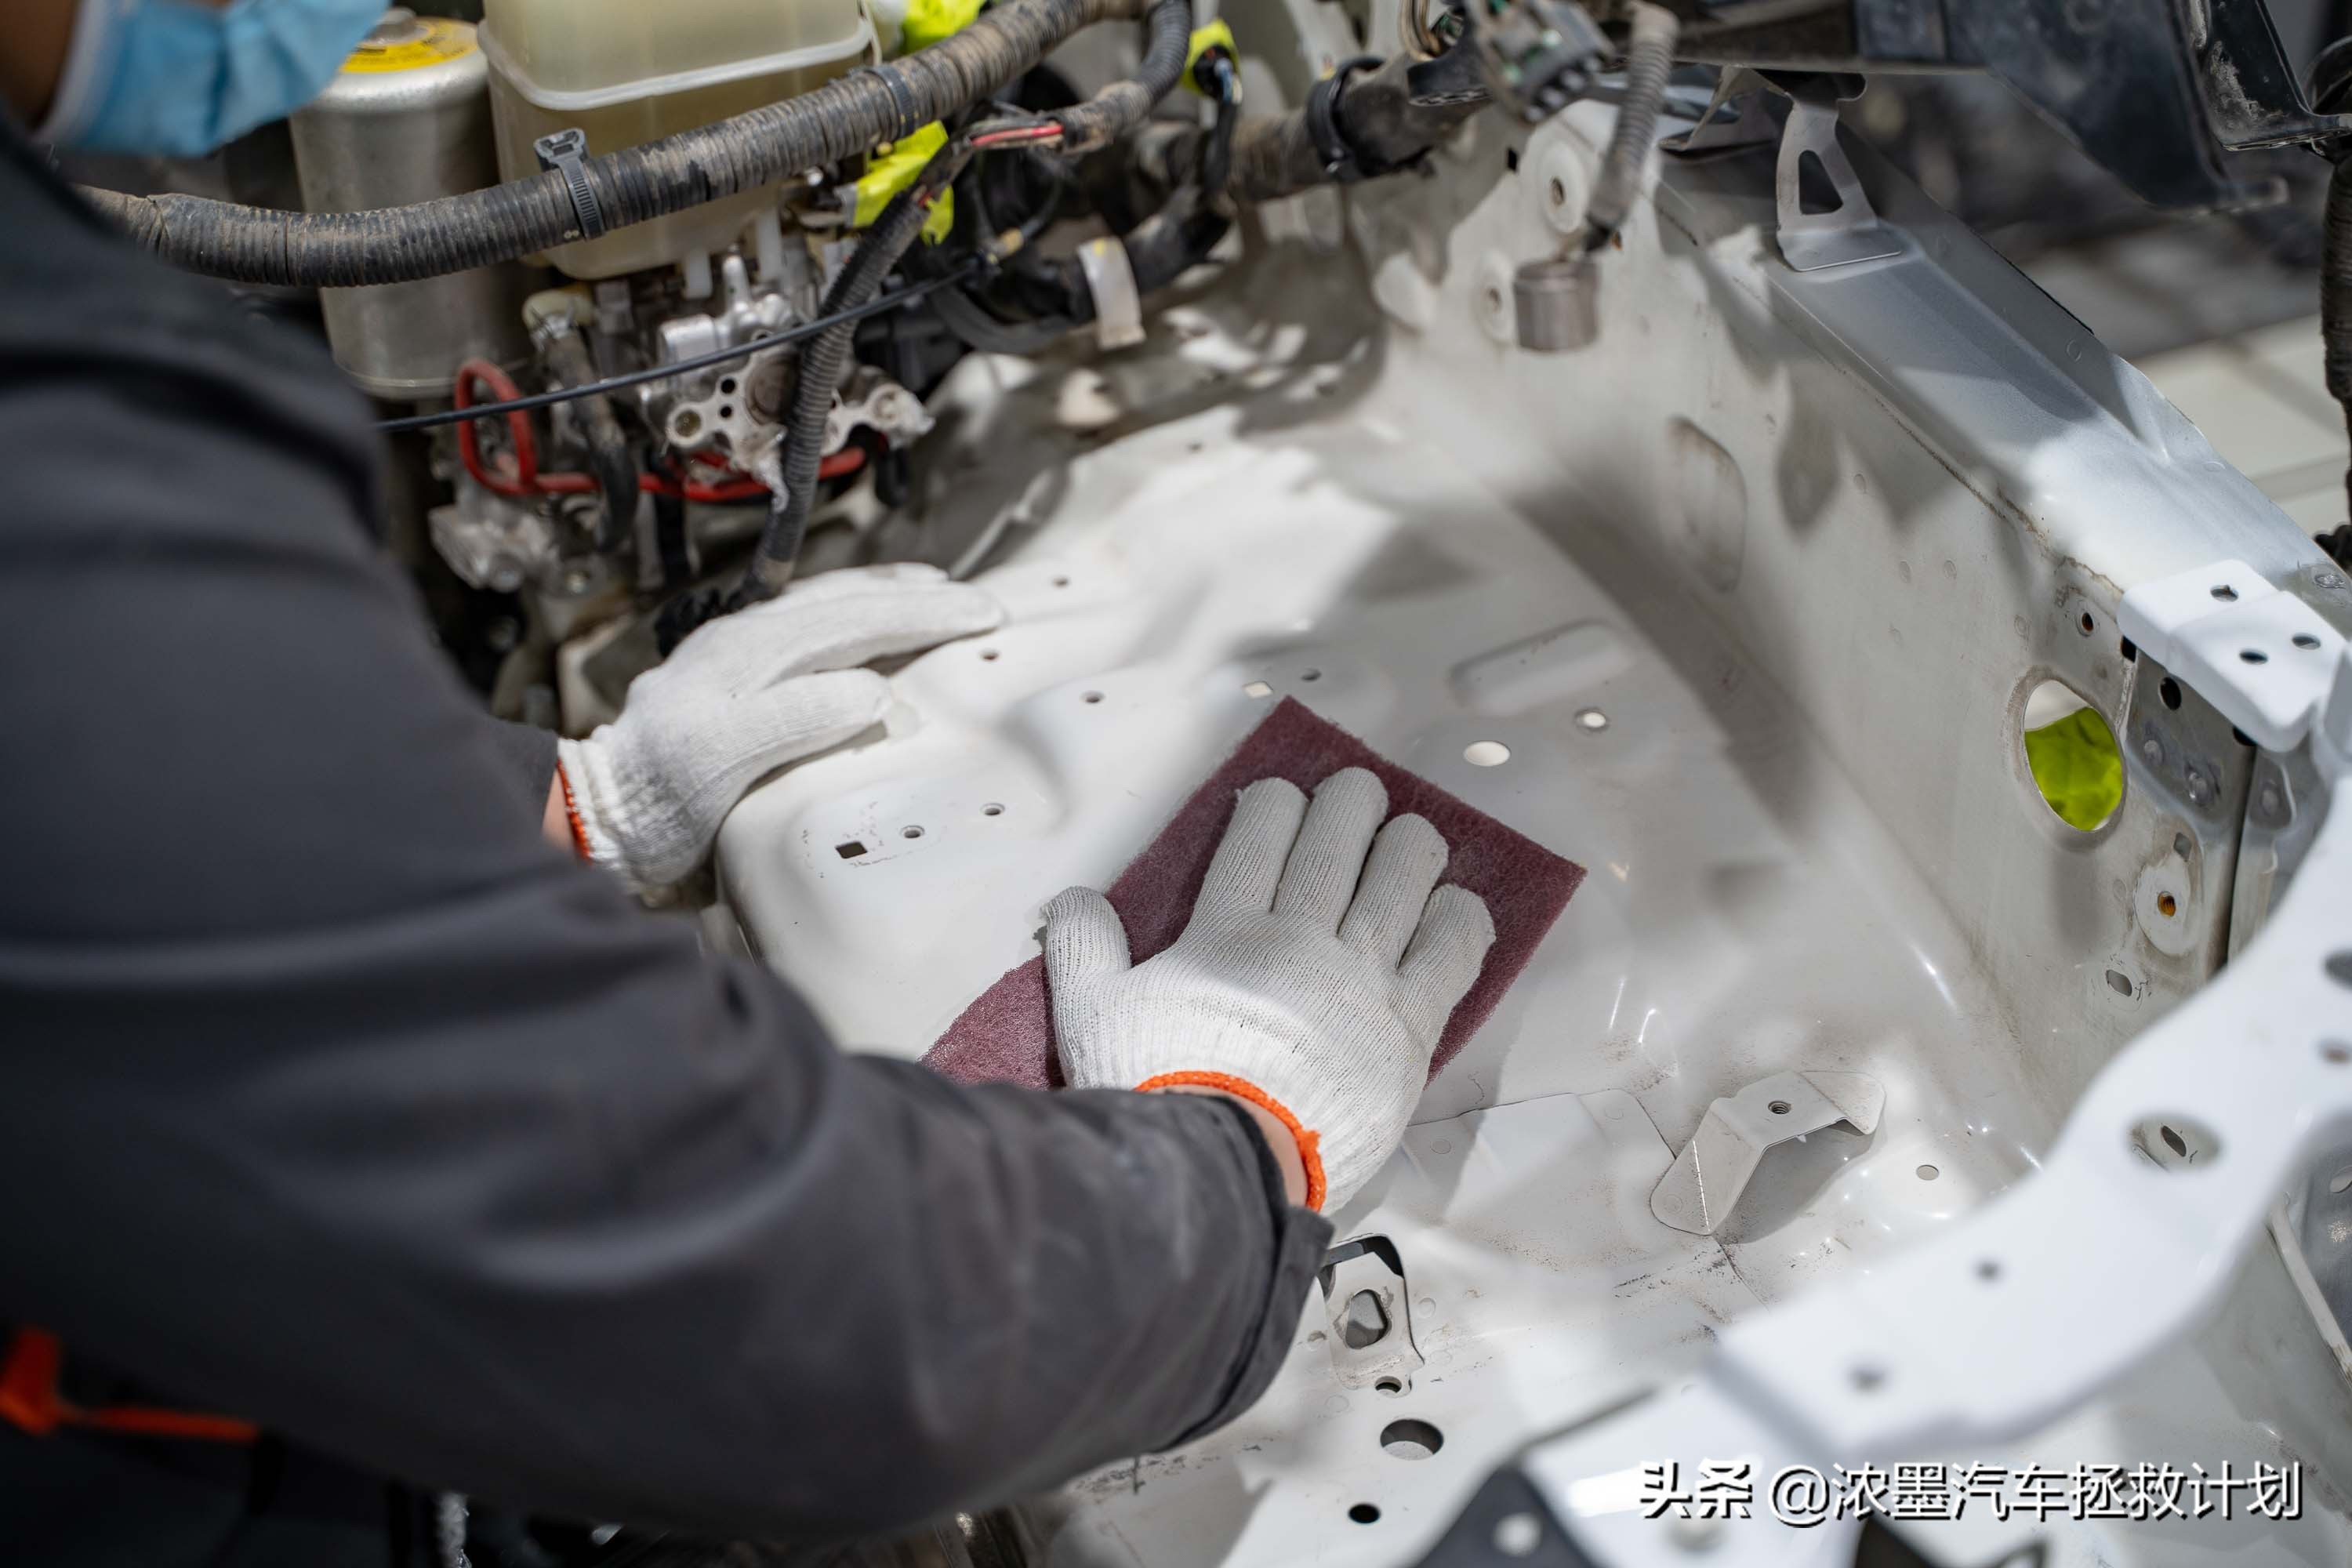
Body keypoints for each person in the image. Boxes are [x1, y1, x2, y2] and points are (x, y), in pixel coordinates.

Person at [0, 1, 1497, 1562]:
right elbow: (766, 1309)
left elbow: (133, 815)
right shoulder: (51, 452)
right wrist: (1236, 1159)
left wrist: (565, 805)